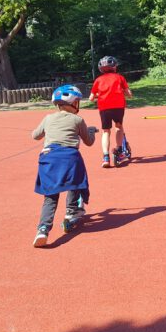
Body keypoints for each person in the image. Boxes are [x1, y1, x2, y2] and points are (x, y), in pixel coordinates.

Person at [32, 85, 97, 247]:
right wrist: (90, 132)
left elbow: (35, 136)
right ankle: (71, 211)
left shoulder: (48, 118)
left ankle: (43, 229)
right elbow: (88, 142)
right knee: (75, 184)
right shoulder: (77, 120)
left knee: (51, 196)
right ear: (73, 103)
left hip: (49, 157)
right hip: (69, 157)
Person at [88, 55, 133, 168]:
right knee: (118, 126)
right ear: (114, 67)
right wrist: (123, 93)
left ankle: (106, 157)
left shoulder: (98, 80)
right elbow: (129, 94)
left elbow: (91, 98)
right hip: (118, 106)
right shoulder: (120, 78)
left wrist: (100, 95)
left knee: (106, 131)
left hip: (104, 107)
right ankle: (118, 150)